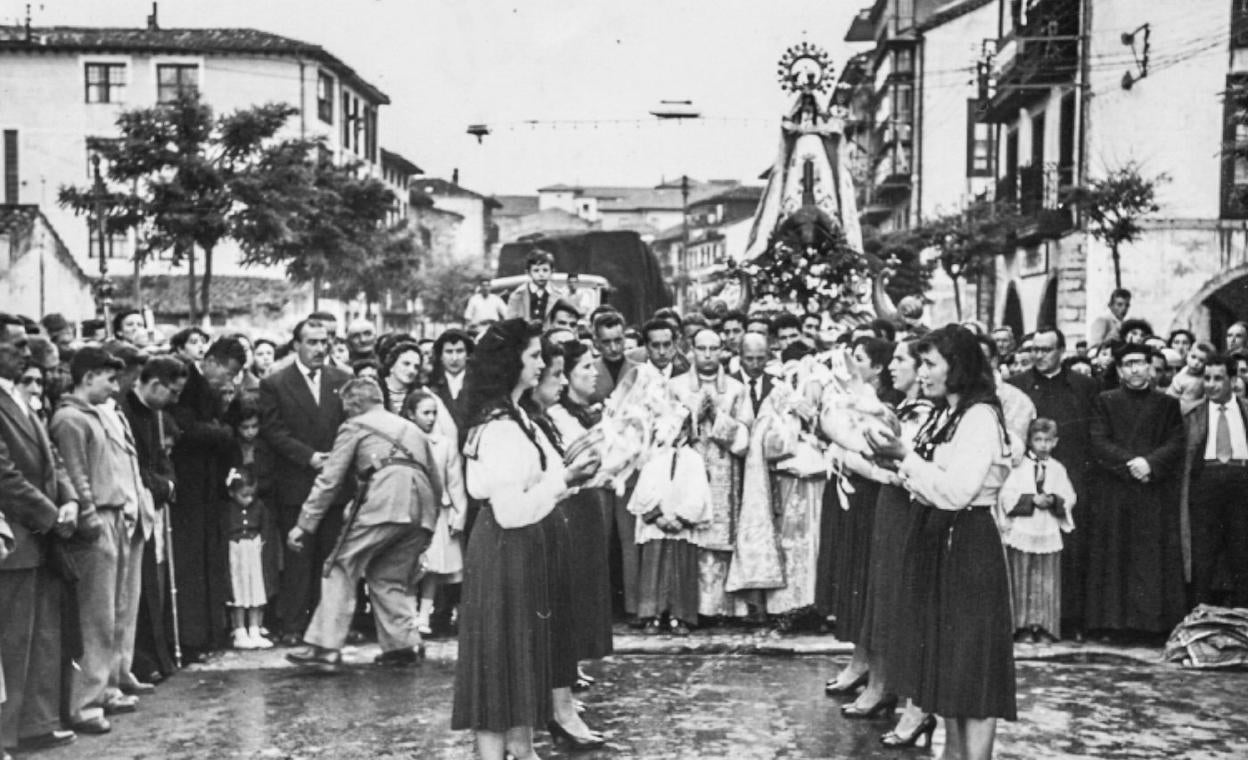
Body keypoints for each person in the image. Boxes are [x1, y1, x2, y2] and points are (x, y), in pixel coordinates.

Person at [866, 324, 1017, 760]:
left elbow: (956, 491)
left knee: (972, 672)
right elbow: (928, 483)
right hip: (941, 541)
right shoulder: (947, 413)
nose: (924, 373)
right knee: (950, 673)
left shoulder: (979, 418)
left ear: (960, 366)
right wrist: (896, 459)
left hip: (967, 545)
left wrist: (906, 457)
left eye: (931, 364)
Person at [451, 319, 600, 760]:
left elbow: (540, 480)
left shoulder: (517, 416)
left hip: (517, 549)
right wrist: (564, 481)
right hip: (505, 549)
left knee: (517, 660)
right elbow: (511, 511)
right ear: (510, 362)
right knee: (499, 665)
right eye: (534, 355)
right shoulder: (498, 426)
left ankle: (521, 750)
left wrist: (571, 476)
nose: (541, 364)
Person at [286, 378, 440, 669]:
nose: (345, 414)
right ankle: (402, 645)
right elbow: (436, 479)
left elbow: (329, 480)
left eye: (346, 408)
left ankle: (324, 648)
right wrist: (430, 527)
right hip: (422, 510)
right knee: (387, 576)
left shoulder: (354, 426)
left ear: (355, 405)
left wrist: (304, 524)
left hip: (384, 502)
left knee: (340, 566)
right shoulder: (411, 429)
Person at [49, 347, 150, 725]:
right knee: (94, 617)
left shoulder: (91, 416)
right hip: (96, 525)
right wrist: (90, 521)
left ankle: (104, 687)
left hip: (113, 518)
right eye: (108, 378)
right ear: (88, 376)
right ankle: (84, 704)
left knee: (110, 613)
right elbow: (76, 476)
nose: (114, 386)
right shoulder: (71, 419)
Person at [0, 331, 88, 751]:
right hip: (16, 538)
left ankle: (35, 721)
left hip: (38, 539)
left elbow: (51, 457)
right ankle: (8, 731)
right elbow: (5, 477)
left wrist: (68, 500)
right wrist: (51, 516)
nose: (25, 354)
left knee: (41, 637)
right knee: (13, 641)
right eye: (15, 346)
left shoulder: (20, 399)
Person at [525, 339, 605, 748]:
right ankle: (558, 710)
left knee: (557, 621)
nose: (558, 382)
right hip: (539, 520)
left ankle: (560, 705)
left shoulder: (540, 418)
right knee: (548, 622)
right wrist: (572, 473)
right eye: (553, 374)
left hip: (554, 518)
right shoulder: (528, 420)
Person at [258, 320, 351, 646]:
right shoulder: (276, 383)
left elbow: (352, 425)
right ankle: (294, 624)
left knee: (331, 556)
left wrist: (336, 460)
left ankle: (328, 626)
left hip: (336, 484)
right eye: (311, 342)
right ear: (296, 344)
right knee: (298, 560)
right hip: (297, 482)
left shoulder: (343, 380)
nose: (319, 349)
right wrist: (309, 456)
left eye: (324, 342)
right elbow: (273, 430)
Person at [1085, 343, 1186, 639]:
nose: (1135, 369)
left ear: (1150, 367)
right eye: (1128, 364)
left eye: (1140, 363)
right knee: (1115, 557)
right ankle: (1114, 626)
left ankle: (1150, 626)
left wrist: (1150, 463)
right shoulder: (1104, 401)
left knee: (1150, 558)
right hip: (1115, 492)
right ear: (1119, 370)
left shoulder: (1167, 404)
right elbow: (1098, 440)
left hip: (1151, 492)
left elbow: (1176, 441)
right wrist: (1130, 464)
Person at [1008, 326, 1100, 641]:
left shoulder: (1084, 387)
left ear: (1061, 350)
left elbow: (1092, 435)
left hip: (1069, 481)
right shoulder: (1017, 387)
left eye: (1045, 350)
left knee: (1070, 555)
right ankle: (1023, 622)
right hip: (1024, 481)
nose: (1038, 356)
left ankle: (1066, 620)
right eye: (1034, 349)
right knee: (1024, 558)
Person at [168, 336, 246, 658]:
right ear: (210, 361)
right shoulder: (187, 382)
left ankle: (212, 632)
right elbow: (185, 429)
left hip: (211, 487)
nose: (229, 380)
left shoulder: (217, 391)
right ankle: (192, 638)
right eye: (226, 372)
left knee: (211, 560)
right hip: (188, 487)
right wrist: (223, 433)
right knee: (191, 564)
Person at [669, 328, 752, 620]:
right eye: (701, 348)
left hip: (724, 473)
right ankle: (689, 609)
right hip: (688, 472)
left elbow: (745, 440)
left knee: (719, 537)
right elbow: (666, 434)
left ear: (722, 351)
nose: (707, 355)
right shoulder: (676, 387)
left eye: (713, 348)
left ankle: (722, 609)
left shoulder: (736, 389)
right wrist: (693, 419)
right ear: (691, 349)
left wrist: (717, 418)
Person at [546, 341, 615, 673]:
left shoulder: (593, 412)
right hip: (569, 505)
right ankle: (565, 666)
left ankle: (575, 663)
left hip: (590, 504)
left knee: (588, 585)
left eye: (593, 365)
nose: (593, 373)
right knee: (570, 584)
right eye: (585, 367)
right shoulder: (557, 416)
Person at [120, 356, 187, 684]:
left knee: (154, 581)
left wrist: (169, 482)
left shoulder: (158, 414)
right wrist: (163, 485)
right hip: (137, 504)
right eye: (172, 393)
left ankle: (156, 657)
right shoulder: (125, 409)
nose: (175, 401)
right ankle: (140, 660)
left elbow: (162, 457)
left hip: (154, 501)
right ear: (155, 384)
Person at [995, 418, 1077, 644]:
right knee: (1022, 577)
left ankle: (1044, 626)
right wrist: (1031, 500)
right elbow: (1006, 496)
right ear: (1029, 441)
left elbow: (1070, 497)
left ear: (1055, 442)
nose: (1043, 445)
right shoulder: (1018, 468)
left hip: (1047, 528)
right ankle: (1021, 626)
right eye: (1038, 439)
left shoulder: (1057, 469)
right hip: (1023, 528)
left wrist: (1053, 500)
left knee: (1046, 579)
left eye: (1048, 440)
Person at [629, 417, 711, 635]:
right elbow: (644, 488)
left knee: (680, 567)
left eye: (682, 427)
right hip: (658, 524)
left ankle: (679, 615)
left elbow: (698, 492)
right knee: (654, 565)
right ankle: (652, 614)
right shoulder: (653, 457)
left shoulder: (694, 459)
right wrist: (657, 517)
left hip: (680, 525)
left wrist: (682, 518)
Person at [1180, 355, 1248, 608]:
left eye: (1218, 378)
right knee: (1203, 557)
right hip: (1206, 484)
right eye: (1206, 378)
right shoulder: (1192, 413)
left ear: (1233, 379)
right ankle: (1200, 617)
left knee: (1242, 554)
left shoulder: (1245, 409)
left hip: (1241, 484)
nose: (1210, 384)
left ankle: (1242, 622)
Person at [400, 390, 467, 637]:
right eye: (424, 413)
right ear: (411, 414)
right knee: (410, 565)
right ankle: (407, 614)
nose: (430, 418)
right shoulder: (402, 441)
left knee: (433, 567)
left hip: (438, 512)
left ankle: (423, 615)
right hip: (410, 511)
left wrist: (458, 514)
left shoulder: (444, 444)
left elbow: (455, 481)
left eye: (433, 413)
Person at [222, 467, 273, 650]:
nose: (249, 499)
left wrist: (262, 543)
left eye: (252, 495)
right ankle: (239, 630)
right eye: (244, 495)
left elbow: (265, 527)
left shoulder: (259, 507)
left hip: (253, 550)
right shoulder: (228, 509)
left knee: (255, 588)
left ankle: (255, 628)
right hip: (236, 551)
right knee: (238, 589)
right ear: (232, 493)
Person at [589, 311, 639, 403]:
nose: (614, 348)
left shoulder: (640, 371)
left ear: (624, 338)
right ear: (597, 342)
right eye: (606, 342)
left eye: (618, 340)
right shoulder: (588, 372)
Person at [506, 249, 557, 322]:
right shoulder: (518, 295)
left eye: (545, 270)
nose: (541, 274)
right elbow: (510, 322)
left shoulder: (558, 295)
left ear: (552, 271)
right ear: (528, 273)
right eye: (536, 270)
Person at [378, 341, 424, 415]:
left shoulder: (420, 394)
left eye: (416, 367)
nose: (412, 370)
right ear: (391, 365)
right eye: (406, 364)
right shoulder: (374, 389)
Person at [1167, 341, 1212, 413]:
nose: (1196, 363)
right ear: (1188, 354)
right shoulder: (1183, 372)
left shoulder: (1201, 380)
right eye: (1193, 357)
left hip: (1190, 411)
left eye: (1202, 360)